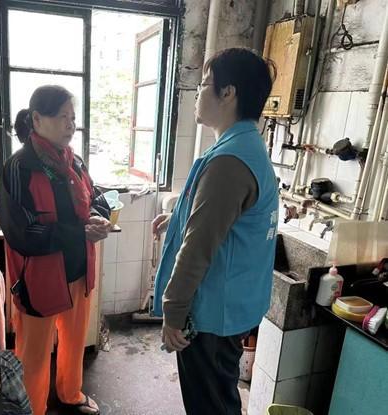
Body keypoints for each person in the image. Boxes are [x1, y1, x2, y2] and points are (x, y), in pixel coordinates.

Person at [152, 48, 278, 414]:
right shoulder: (246, 148)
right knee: (219, 399)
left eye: (204, 84)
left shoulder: (229, 162)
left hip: (211, 314)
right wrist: (178, 218)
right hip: (232, 306)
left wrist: (173, 311)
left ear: (228, 93)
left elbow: (198, 247)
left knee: (210, 406)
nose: (198, 93)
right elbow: (221, 219)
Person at [0, 85, 111, 415]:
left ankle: (70, 393)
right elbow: (21, 231)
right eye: (63, 117)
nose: (71, 124)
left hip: (78, 270)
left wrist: (97, 216)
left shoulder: (75, 162)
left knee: (74, 342)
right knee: (33, 354)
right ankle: (32, 410)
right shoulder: (19, 167)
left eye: (73, 117)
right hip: (40, 279)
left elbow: (97, 198)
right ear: (37, 119)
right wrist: (78, 232)